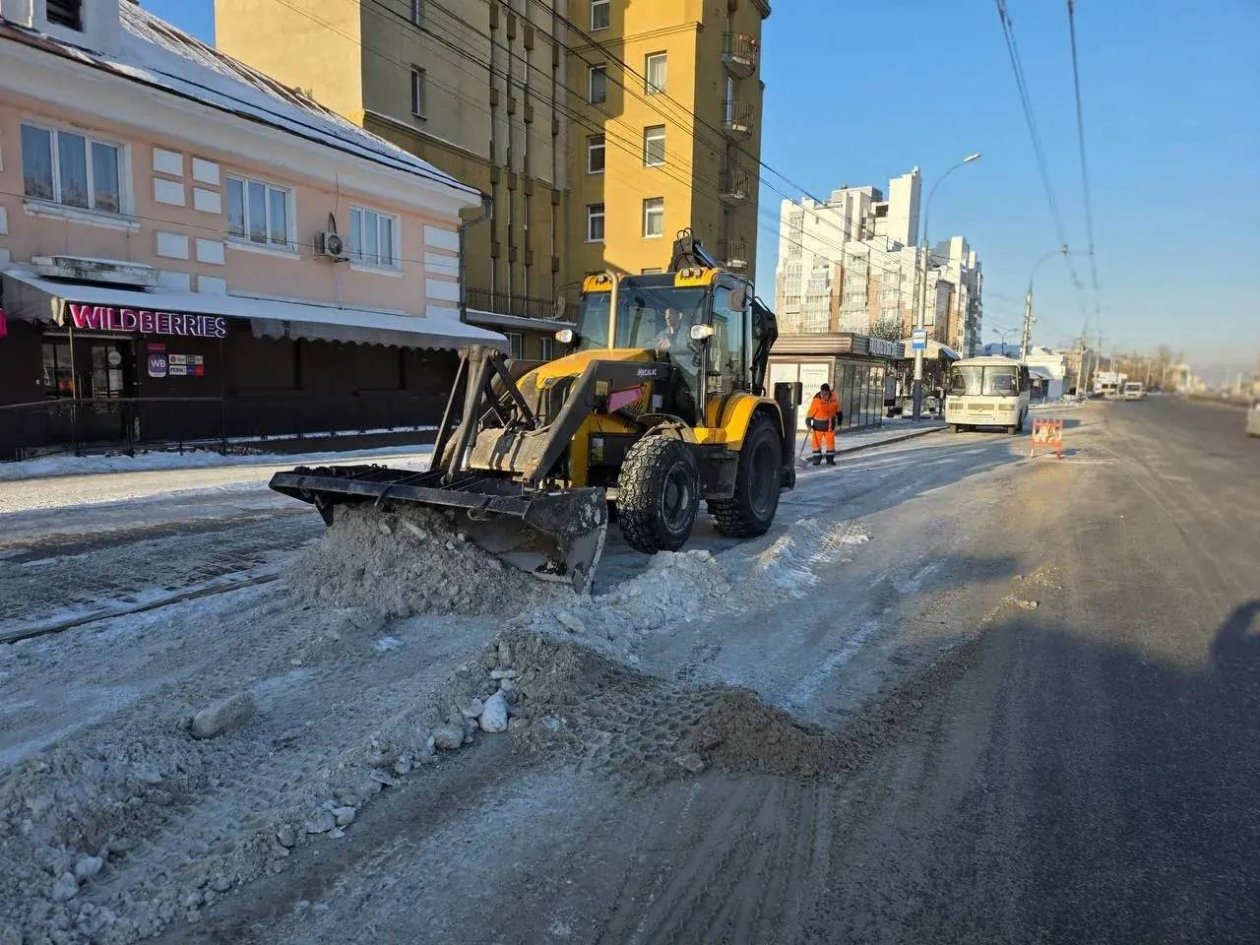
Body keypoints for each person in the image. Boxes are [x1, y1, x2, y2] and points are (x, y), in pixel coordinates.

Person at [806, 383, 841, 466]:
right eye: (822, 393)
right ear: (820, 392)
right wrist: (808, 420)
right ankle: (817, 460)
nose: (824, 395)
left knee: (830, 444)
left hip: (829, 426)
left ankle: (830, 459)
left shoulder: (833, 398)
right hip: (818, 426)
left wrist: (840, 416)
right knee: (816, 443)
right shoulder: (817, 400)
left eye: (826, 394)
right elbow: (811, 412)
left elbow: (837, 408)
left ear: (829, 392)